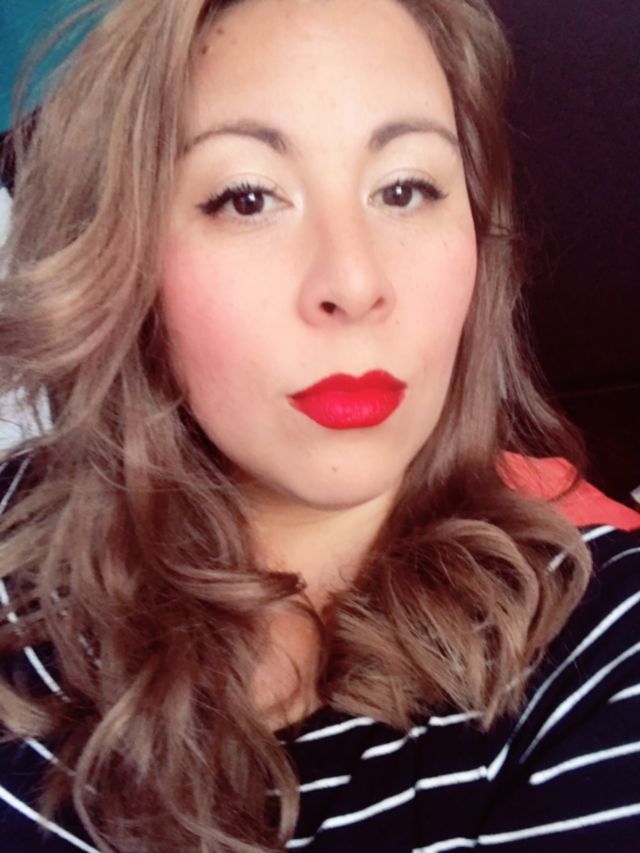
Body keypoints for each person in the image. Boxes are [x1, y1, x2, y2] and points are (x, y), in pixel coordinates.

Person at [0, 0, 638, 850]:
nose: (353, 280)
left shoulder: (603, 653)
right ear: (125, 255)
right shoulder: (18, 550)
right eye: (248, 197)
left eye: (405, 189)